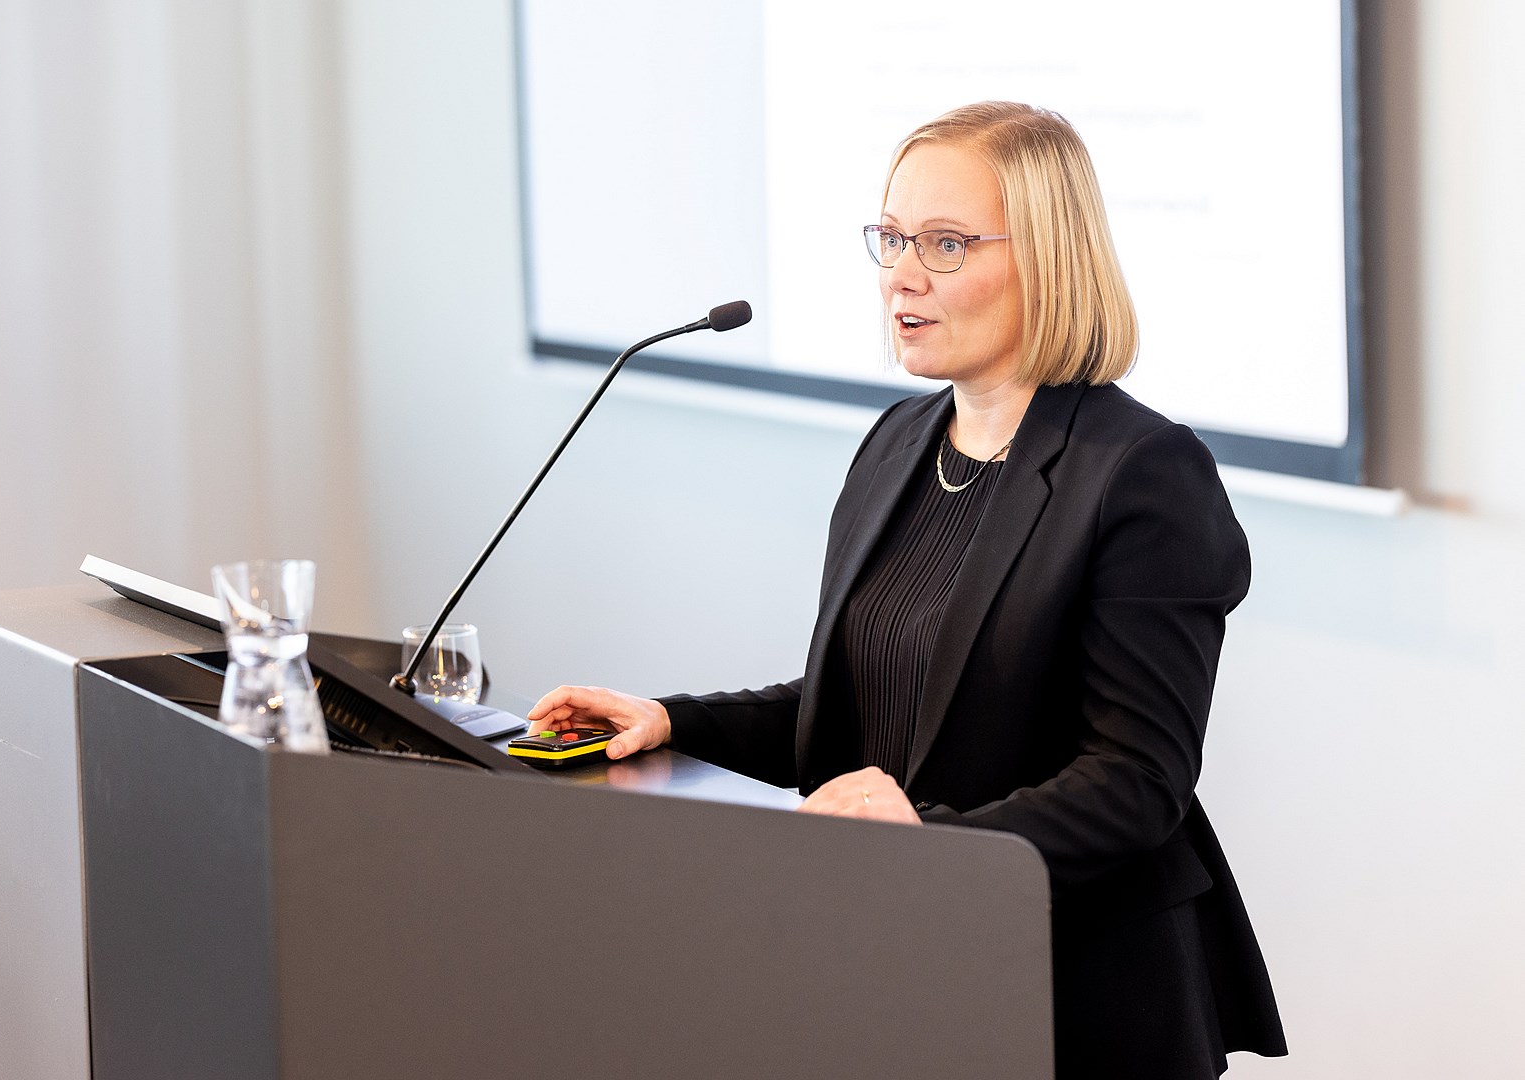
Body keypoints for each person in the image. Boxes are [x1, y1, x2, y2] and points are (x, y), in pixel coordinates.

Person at [528, 101, 1286, 1079]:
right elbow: (860, 706)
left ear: (1050, 260)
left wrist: (930, 843)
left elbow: (1139, 782)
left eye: (945, 243)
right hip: (897, 966)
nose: (902, 274)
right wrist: (673, 722)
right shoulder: (897, 444)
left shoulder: (1141, 472)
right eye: (890, 238)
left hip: (1074, 992)